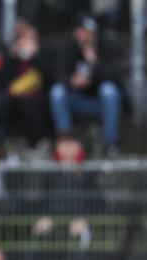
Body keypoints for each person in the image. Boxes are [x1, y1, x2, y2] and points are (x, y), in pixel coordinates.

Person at [49, 13, 125, 157]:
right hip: (76, 100)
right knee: (57, 92)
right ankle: (65, 140)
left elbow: (115, 77)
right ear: (76, 32)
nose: (88, 36)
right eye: (84, 31)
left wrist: (95, 64)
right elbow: (57, 74)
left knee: (109, 90)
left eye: (91, 32)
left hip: (99, 102)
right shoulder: (67, 49)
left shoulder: (105, 46)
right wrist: (72, 81)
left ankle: (110, 145)